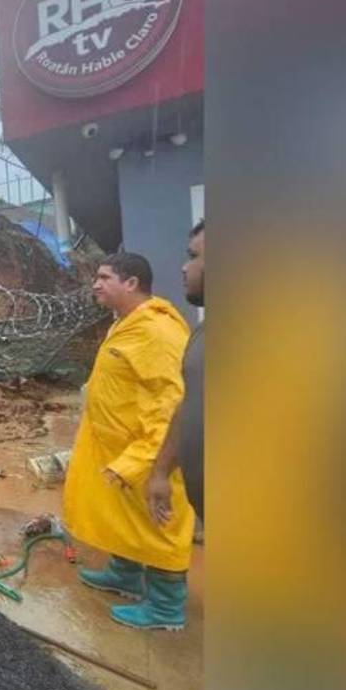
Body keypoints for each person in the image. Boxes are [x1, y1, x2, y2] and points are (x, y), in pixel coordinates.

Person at [63, 252, 194, 630]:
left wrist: (144, 462)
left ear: (131, 283)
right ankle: (125, 574)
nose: (95, 284)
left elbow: (172, 404)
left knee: (159, 526)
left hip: (150, 453)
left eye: (104, 277)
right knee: (123, 517)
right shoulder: (125, 323)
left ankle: (166, 609)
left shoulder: (157, 332)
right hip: (116, 446)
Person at [148, 220, 205, 533]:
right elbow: (188, 404)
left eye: (194, 256)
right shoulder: (202, 335)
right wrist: (161, 472)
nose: (184, 267)